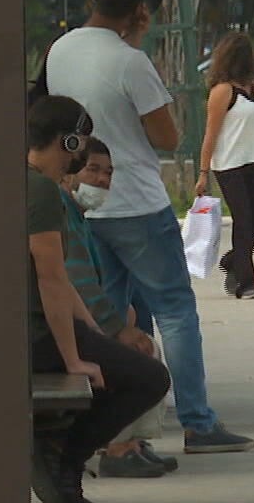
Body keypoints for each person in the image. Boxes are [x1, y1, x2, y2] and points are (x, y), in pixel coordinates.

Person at [45, 0, 254, 454]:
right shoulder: (130, 62)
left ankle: (125, 433)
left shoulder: (60, 52)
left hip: (85, 200)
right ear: (139, 9)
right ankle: (198, 422)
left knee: (116, 314)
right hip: (136, 200)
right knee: (175, 310)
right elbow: (167, 136)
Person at [24, 97, 170, 503]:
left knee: (120, 364)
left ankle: (62, 458)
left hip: (32, 329)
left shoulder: (31, 184)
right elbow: (50, 278)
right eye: (80, 143)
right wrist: (74, 357)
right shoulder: (41, 191)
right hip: (38, 335)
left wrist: (91, 332)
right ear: (67, 141)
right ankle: (64, 455)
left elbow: (61, 281)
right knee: (150, 379)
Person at [64, 140, 175, 477]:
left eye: (108, 173)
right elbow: (78, 285)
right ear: (71, 172)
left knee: (143, 345)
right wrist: (115, 329)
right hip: (65, 332)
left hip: (79, 326)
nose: (101, 180)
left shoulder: (80, 218)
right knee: (141, 358)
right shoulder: (64, 216)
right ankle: (116, 447)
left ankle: (133, 442)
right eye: (92, 170)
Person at [197, 32, 254, 299]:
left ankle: (233, 261)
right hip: (228, 164)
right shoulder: (222, 92)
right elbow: (210, 134)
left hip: (253, 160)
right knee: (243, 220)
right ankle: (246, 283)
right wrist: (203, 173)